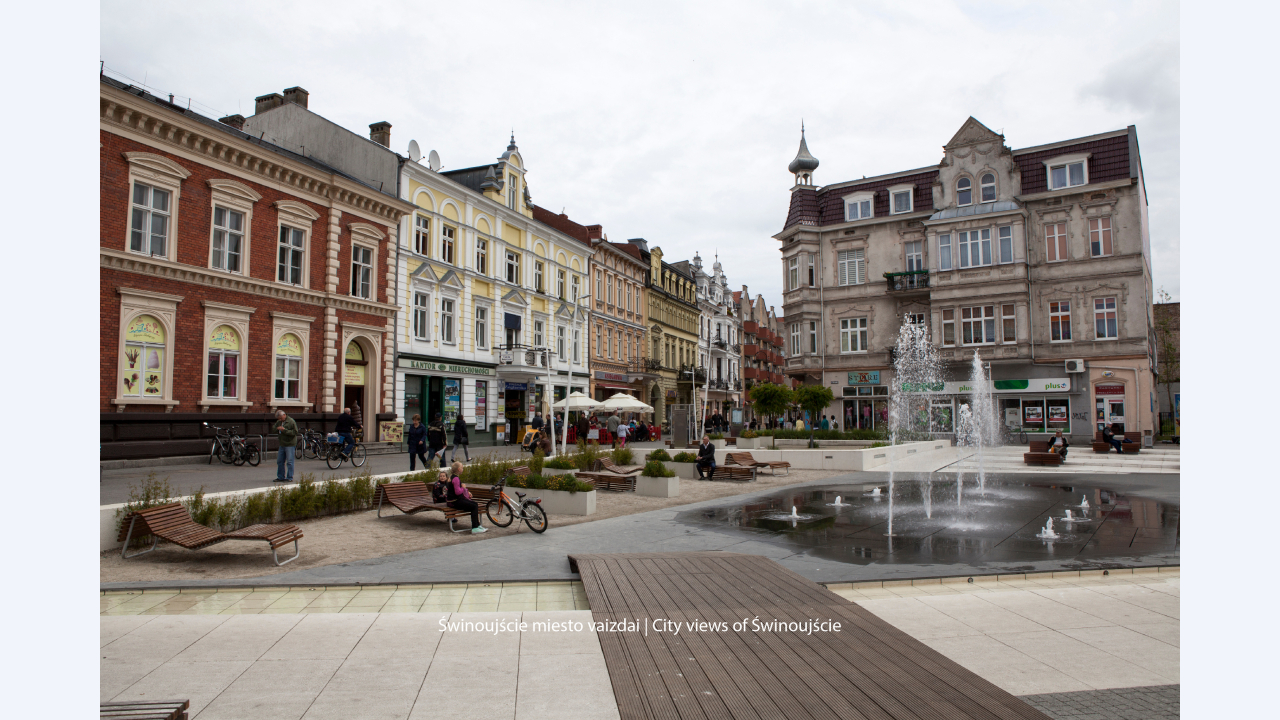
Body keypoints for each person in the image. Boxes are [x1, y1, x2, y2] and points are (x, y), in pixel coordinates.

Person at [444, 463, 485, 534]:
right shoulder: (456, 478)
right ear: (459, 469)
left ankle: (477, 525)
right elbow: (457, 492)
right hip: (454, 502)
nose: (462, 469)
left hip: (452, 501)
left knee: (474, 504)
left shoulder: (452, 476)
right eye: (462, 468)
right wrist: (463, 488)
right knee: (474, 506)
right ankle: (475, 528)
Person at [274, 409, 298, 483]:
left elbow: (295, 432)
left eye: (281, 418)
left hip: (290, 444)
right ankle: (280, 476)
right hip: (282, 443)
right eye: (279, 419)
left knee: (290, 461)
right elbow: (273, 429)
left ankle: (289, 477)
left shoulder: (291, 421)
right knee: (280, 461)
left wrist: (284, 430)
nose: (280, 420)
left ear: (284, 415)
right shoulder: (279, 422)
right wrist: (277, 428)